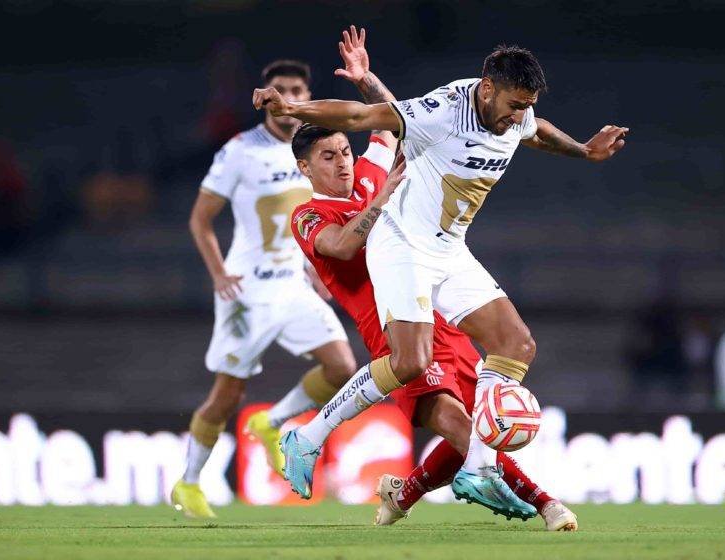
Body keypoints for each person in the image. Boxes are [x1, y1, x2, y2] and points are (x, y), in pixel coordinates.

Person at [253, 33, 627, 510]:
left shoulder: (512, 114)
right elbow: (361, 119)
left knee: (517, 345)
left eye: (526, 105)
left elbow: (535, 129)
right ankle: (308, 438)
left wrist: (584, 150)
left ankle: (476, 469)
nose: (519, 115)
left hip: (448, 252)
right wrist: (294, 110)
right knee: (410, 361)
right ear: (487, 89)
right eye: (514, 104)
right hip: (402, 248)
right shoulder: (446, 110)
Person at [171, 59, 358, 518]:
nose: (288, 95)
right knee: (227, 393)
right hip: (247, 292)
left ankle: (271, 422)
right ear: (265, 95)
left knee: (342, 366)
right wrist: (218, 273)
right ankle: (189, 482)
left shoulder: (315, 145)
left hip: (293, 285)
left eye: (297, 87)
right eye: (280, 87)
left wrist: (315, 271)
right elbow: (201, 219)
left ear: (306, 93)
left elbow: (309, 219)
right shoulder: (239, 151)